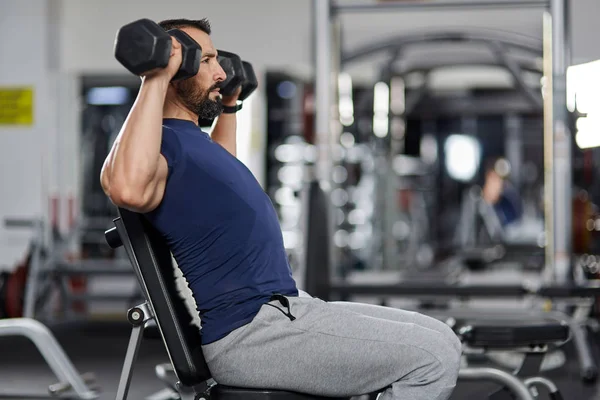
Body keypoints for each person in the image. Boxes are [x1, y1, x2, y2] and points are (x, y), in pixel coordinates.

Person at [100, 18, 461, 400]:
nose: (220, 71)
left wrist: (230, 106)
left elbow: (223, 173)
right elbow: (124, 187)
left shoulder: (193, 145)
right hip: (252, 334)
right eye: (205, 61)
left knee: (443, 337)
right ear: (178, 66)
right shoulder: (163, 145)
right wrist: (154, 76)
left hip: (285, 310)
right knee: (432, 358)